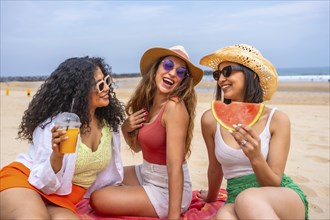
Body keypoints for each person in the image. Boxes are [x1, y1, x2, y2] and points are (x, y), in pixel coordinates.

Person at [0, 56, 125, 219]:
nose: (107, 88)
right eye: (100, 85)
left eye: (107, 81)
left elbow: (111, 174)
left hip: (64, 197)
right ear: (80, 91)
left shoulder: (109, 124)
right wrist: (56, 156)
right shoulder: (56, 125)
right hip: (30, 181)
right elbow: (43, 180)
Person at [89, 45, 204, 219]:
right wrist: (126, 128)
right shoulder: (149, 104)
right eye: (167, 65)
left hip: (167, 188)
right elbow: (137, 148)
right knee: (101, 179)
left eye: (180, 72)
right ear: (156, 68)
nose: (173, 73)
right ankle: (136, 195)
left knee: (97, 199)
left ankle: (139, 197)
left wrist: (173, 217)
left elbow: (175, 168)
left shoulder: (174, 108)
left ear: (183, 80)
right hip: (146, 173)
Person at [197, 44, 309, 219]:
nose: (220, 80)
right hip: (235, 197)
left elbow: (273, 182)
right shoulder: (210, 120)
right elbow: (214, 167)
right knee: (224, 215)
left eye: (227, 71)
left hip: (279, 196)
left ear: (251, 74)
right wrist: (211, 198)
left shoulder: (277, 119)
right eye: (218, 75)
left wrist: (256, 157)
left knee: (247, 199)